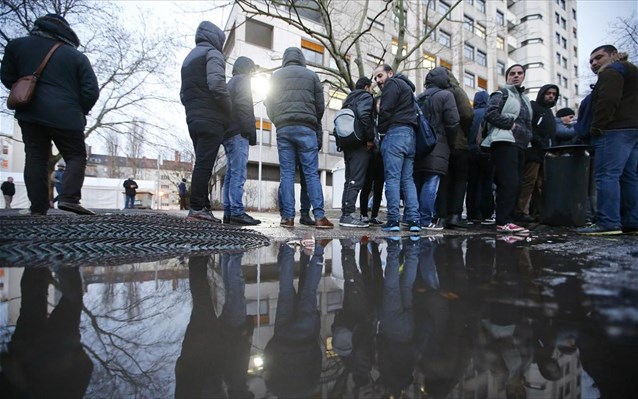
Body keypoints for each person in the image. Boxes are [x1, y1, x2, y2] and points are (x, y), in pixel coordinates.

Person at [1, 14, 99, 216]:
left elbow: (8, 78)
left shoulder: (17, 46)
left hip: (30, 113)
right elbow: (91, 90)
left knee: (35, 157)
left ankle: (38, 208)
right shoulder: (75, 56)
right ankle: (69, 199)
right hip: (67, 114)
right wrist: (81, 110)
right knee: (75, 156)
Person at [266, 47, 333, 229]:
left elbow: (269, 105)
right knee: (311, 173)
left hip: (284, 129)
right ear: (301, 59)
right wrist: (311, 120)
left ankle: (287, 218)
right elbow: (320, 106)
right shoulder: (311, 76)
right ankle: (319, 217)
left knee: (286, 174)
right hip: (306, 128)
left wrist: (279, 121)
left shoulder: (276, 77)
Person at [577, 45, 638, 235]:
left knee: (607, 175)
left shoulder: (611, 71)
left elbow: (608, 101)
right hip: (632, 130)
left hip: (613, 130)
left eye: (598, 57)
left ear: (613, 55)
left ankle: (608, 222)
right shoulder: (631, 71)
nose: (594, 63)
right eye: (591, 61)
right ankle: (632, 222)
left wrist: (597, 127)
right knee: (629, 177)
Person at [180, 21, 230, 223]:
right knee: (204, 165)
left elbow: (183, 93)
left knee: (201, 162)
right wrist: (228, 110)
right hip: (210, 117)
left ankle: (203, 206)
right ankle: (198, 207)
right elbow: (217, 85)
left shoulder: (190, 57)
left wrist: (193, 110)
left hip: (193, 117)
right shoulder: (213, 53)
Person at [482, 64, 533, 234]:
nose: (516, 76)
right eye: (512, 73)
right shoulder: (502, 93)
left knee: (516, 184)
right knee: (508, 183)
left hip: (520, 144)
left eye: (519, 73)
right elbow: (490, 113)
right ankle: (503, 221)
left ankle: (508, 220)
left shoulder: (524, 98)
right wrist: (510, 124)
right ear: (507, 77)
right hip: (503, 141)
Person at [373, 64, 421, 232]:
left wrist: (380, 129)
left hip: (395, 134)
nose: (378, 80)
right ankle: (414, 221)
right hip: (410, 135)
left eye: (380, 75)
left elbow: (385, 111)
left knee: (392, 178)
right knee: (408, 180)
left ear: (390, 73)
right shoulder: (408, 89)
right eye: (376, 78)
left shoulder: (393, 84)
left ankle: (393, 221)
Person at [414, 67, 460, 231]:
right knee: (431, 182)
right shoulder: (446, 95)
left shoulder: (419, 97)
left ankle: (414, 218)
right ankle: (425, 220)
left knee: (417, 181)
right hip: (438, 144)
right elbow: (453, 122)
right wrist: (451, 142)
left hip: (419, 145)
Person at [222, 56, 260, 226]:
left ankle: (229, 212)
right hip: (238, 133)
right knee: (238, 174)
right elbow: (245, 107)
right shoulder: (243, 80)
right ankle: (237, 212)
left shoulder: (230, 83)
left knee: (230, 175)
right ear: (247, 69)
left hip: (228, 133)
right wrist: (250, 132)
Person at [515, 84, 559, 223]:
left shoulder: (549, 112)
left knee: (540, 184)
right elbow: (529, 128)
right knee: (529, 182)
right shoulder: (534, 107)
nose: (551, 96)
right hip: (532, 152)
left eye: (554, 94)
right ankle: (520, 211)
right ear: (542, 94)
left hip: (545, 153)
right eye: (548, 93)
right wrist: (540, 143)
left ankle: (536, 212)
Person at [438, 72, 473, 229]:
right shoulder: (457, 91)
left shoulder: (436, 93)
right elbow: (467, 113)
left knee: (445, 181)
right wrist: (464, 131)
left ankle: (443, 216)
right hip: (459, 143)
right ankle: (455, 215)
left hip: (442, 144)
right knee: (460, 180)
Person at [339, 77, 375, 228]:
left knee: (349, 179)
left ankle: (345, 213)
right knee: (356, 180)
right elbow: (364, 115)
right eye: (371, 87)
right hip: (359, 142)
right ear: (366, 87)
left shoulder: (348, 98)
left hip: (347, 142)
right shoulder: (365, 96)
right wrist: (369, 138)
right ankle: (348, 215)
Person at [466, 91, 495, 225]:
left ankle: (472, 214)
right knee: (486, 183)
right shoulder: (489, 113)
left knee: (472, 184)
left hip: (470, 151)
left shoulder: (470, 114)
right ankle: (486, 214)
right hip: (486, 151)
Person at [359, 95, 385, 226]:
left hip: (381, 156)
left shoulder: (386, 118)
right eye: (379, 103)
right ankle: (363, 214)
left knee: (379, 187)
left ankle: (374, 215)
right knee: (367, 185)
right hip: (370, 155)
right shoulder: (371, 117)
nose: (381, 106)